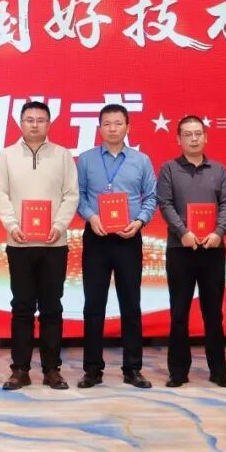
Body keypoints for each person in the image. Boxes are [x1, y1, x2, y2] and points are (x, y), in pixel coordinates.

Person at [0, 101, 79, 390]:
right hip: (19, 243)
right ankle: (20, 369)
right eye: (29, 119)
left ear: (49, 124)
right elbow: (1, 194)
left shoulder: (62, 155)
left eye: (40, 120)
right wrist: (12, 226)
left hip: (54, 244)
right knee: (22, 307)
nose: (34, 124)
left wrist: (59, 226)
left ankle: (52, 369)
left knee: (52, 307)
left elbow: (71, 195)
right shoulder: (6, 155)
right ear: (20, 123)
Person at [75, 103, 157, 389]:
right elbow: (79, 195)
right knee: (93, 306)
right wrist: (91, 216)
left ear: (127, 127)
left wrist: (139, 221)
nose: (112, 128)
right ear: (99, 128)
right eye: (107, 124)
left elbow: (151, 197)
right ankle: (92, 370)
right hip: (96, 237)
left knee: (131, 304)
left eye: (118, 123)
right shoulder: (85, 160)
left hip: (128, 238)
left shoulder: (141, 160)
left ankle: (132, 369)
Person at [156, 115, 226, 388]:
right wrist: (183, 232)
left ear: (205, 137)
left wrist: (219, 232)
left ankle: (218, 370)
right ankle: (178, 371)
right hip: (181, 249)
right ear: (178, 139)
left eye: (198, 133)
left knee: (213, 313)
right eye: (187, 134)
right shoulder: (169, 169)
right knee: (179, 313)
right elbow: (165, 204)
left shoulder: (219, 170)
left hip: (213, 249)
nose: (193, 139)